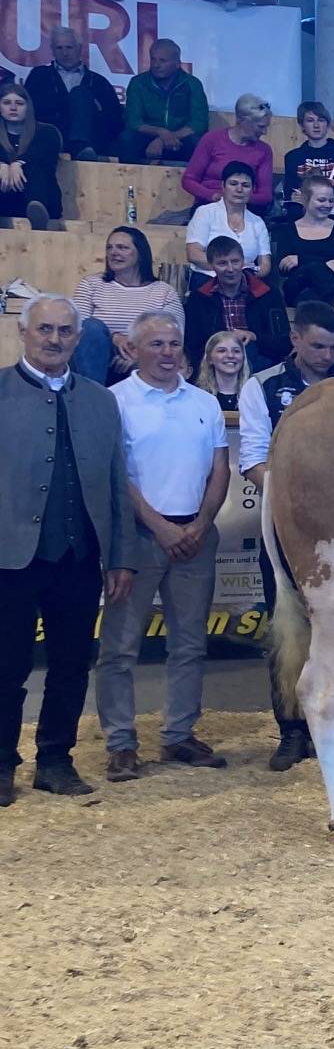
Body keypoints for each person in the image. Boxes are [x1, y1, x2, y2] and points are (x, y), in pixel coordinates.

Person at [0, 295, 135, 807]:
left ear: (78, 338)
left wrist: (119, 556)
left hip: (79, 558)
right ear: (24, 333)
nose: (54, 339)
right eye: (45, 330)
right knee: (5, 667)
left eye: (64, 331)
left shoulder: (103, 400)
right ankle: (0, 764)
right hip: (9, 558)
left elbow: (117, 485)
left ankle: (55, 759)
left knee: (72, 663)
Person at [93, 311, 230, 783]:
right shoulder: (114, 401)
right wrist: (160, 527)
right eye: (157, 344)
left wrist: (201, 523)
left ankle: (178, 736)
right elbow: (117, 477)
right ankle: (121, 744)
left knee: (189, 644)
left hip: (196, 536)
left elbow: (219, 470)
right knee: (120, 648)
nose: (168, 352)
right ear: (132, 350)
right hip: (137, 540)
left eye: (174, 343)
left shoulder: (205, 403)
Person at [238, 301, 334, 770]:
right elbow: (251, 460)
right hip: (287, 527)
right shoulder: (262, 387)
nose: (327, 355)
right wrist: (298, 503)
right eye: (318, 345)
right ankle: (290, 730)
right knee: (286, 626)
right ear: (296, 340)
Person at [73, 226, 182, 386]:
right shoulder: (91, 285)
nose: (113, 252)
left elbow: (175, 338)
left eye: (122, 247)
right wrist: (115, 338)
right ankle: (93, 399)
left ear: (140, 254)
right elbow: (76, 331)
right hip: (97, 363)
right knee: (91, 327)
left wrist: (137, 355)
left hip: (145, 363)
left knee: (163, 343)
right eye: (109, 248)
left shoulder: (164, 292)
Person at [183, 235, 291, 373]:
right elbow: (193, 346)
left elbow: (284, 343)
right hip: (215, 367)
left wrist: (254, 337)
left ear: (243, 261)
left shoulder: (268, 294)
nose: (230, 269)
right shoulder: (199, 299)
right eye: (222, 263)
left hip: (261, 365)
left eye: (235, 261)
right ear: (211, 265)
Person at [24, 26, 123, 161]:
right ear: (52, 50)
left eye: (69, 47)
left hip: (92, 141)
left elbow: (115, 120)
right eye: (59, 48)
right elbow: (27, 109)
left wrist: (92, 110)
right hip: (50, 135)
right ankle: (78, 146)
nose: (65, 53)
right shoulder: (39, 76)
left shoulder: (99, 82)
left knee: (81, 93)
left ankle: (80, 145)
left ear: (79, 48)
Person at [180, 93, 275, 215]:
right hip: (210, 205)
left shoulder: (264, 150)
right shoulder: (212, 139)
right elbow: (189, 180)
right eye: (260, 126)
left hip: (246, 208)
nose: (264, 132)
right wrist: (213, 196)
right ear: (243, 120)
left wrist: (238, 199)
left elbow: (265, 195)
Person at [116, 39, 207, 165]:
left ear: (177, 64)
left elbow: (199, 123)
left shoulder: (192, 84)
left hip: (179, 139)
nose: (156, 65)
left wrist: (165, 139)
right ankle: (128, 181)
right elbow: (134, 121)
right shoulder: (138, 83)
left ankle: (191, 183)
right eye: (153, 59)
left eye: (162, 61)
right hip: (147, 138)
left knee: (198, 143)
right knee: (127, 139)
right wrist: (161, 132)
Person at [271, 175, 334, 305]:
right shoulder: (288, 230)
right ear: (305, 199)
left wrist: (301, 260)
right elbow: (283, 267)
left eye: (331, 201)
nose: (327, 205)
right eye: (321, 200)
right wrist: (325, 266)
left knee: (309, 297)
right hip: (298, 286)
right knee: (314, 274)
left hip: (326, 290)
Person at [186, 161, 271, 278]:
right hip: (209, 277)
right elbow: (194, 254)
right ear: (223, 186)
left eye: (245, 185)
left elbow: (265, 264)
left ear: (252, 190)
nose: (239, 189)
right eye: (233, 184)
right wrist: (230, 269)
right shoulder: (205, 212)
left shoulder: (258, 222)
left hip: (246, 280)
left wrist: (250, 275)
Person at [282, 101, 334, 218]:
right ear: (301, 125)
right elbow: (292, 193)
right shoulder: (293, 157)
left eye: (321, 120)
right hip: (304, 212)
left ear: (327, 124)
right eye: (310, 120)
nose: (316, 125)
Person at [0, 81, 60, 229]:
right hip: (4, 200)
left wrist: (18, 163)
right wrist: (2, 164)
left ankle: (38, 213)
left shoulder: (46, 132)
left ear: (28, 107)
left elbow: (44, 153)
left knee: (35, 165)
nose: (13, 107)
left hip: (36, 197)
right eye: (7, 103)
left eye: (19, 103)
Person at [195, 329, 248, 412]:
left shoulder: (254, 394)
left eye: (236, 351)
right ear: (209, 359)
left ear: (243, 357)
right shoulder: (197, 396)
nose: (230, 355)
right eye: (222, 351)